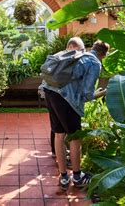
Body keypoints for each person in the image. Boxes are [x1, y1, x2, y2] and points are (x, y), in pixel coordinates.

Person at [42, 38, 109, 190]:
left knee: (59, 134)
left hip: (50, 92)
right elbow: (87, 93)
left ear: (92, 48)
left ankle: (64, 177)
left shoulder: (78, 54)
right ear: (104, 55)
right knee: (75, 137)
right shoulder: (95, 63)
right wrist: (100, 93)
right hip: (66, 99)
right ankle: (77, 177)